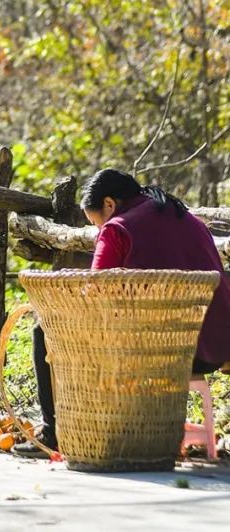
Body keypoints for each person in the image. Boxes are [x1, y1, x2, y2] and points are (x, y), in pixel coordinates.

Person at [32, 168, 230, 448]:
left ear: (110, 204)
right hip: (211, 351)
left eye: (96, 222)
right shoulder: (186, 218)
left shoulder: (117, 228)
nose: (99, 230)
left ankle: (54, 432)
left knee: (43, 329)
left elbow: (94, 295)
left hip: (155, 351)